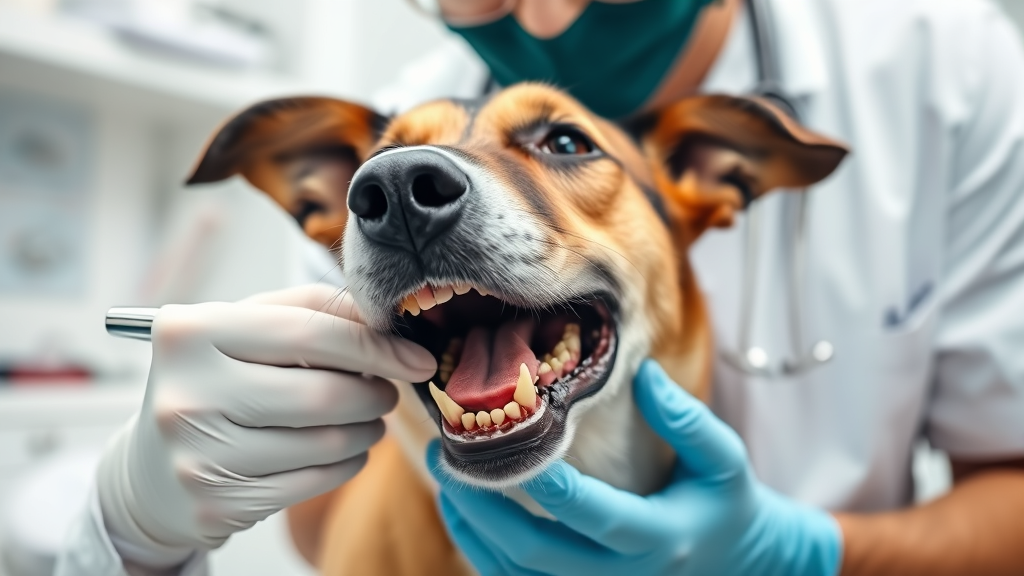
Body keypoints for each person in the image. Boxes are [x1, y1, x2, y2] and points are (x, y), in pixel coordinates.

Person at [57, 0, 1024, 574]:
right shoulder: (393, 155)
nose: (549, 12)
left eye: (561, 142)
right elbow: (323, 526)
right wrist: (133, 526)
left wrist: (804, 556)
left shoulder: (947, 60)